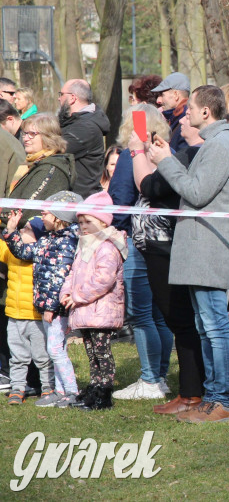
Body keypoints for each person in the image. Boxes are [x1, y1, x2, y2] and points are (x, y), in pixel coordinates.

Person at [147, 85, 229, 423]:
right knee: (206, 327)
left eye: (190, 111)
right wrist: (168, 159)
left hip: (211, 250)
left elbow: (196, 192)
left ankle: (223, 401)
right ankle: (213, 397)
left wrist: (166, 162)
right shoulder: (215, 144)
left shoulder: (220, 144)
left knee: (215, 327)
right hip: (201, 249)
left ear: (206, 112)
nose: (185, 116)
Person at [130, 106, 207, 416]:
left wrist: (138, 151)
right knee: (179, 321)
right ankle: (188, 391)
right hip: (157, 249)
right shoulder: (184, 153)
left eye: (187, 118)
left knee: (182, 321)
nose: (180, 122)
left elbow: (149, 187)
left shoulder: (190, 156)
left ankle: (192, 393)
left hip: (167, 247)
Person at [108, 105, 172, 402]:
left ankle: (150, 379)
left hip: (139, 239)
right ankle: (160, 378)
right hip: (166, 239)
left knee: (142, 314)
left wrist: (117, 229)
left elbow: (120, 198)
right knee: (160, 314)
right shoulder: (166, 154)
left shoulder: (130, 156)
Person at [3, 192, 80, 407]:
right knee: (55, 349)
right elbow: (23, 251)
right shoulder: (48, 240)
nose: (41, 215)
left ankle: (71, 392)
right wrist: (10, 230)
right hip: (47, 308)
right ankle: (60, 390)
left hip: (55, 309)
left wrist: (51, 307)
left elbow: (58, 279)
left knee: (55, 350)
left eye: (45, 212)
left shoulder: (67, 242)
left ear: (58, 216)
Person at [61, 191, 128, 411]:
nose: (83, 225)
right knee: (91, 353)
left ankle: (104, 392)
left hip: (101, 311)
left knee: (102, 352)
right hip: (87, 311)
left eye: (88, 221)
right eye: (80, 221)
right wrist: (66, 293)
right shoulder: (84, 246)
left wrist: (77, 296)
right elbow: (72, 274)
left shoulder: (107, 247)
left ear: (102, 221)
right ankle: (94, 387)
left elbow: (103, 280)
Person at [2, 210, 51, 406]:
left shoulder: (43, 255)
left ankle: (48, 387)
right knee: (18, 357)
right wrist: (9, 227)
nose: (22, 230)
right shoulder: (11, 252)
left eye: (27, 229)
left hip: (36, 317)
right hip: (14, 316)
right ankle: (17, 388)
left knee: (43, 357)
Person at [7, 113, 76, 227]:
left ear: (49, 137)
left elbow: (26, 211)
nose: (25, 138)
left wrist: (2, 214)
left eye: (32, 134)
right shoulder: (31, 163)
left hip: (29, 236)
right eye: (25, 133)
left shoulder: (51, 169)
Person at [58, 79, 110, 197]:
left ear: (72, 98)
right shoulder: (75, 122)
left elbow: (55, 150)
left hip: (80, 200)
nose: (59, 98)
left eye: (61, 94)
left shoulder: (86, 128)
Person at [151, 72, 191, 153]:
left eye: (162, 95)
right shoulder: (177, 117)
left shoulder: (187, 120)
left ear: (176, 95)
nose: (158, 100)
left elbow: (183, 159)